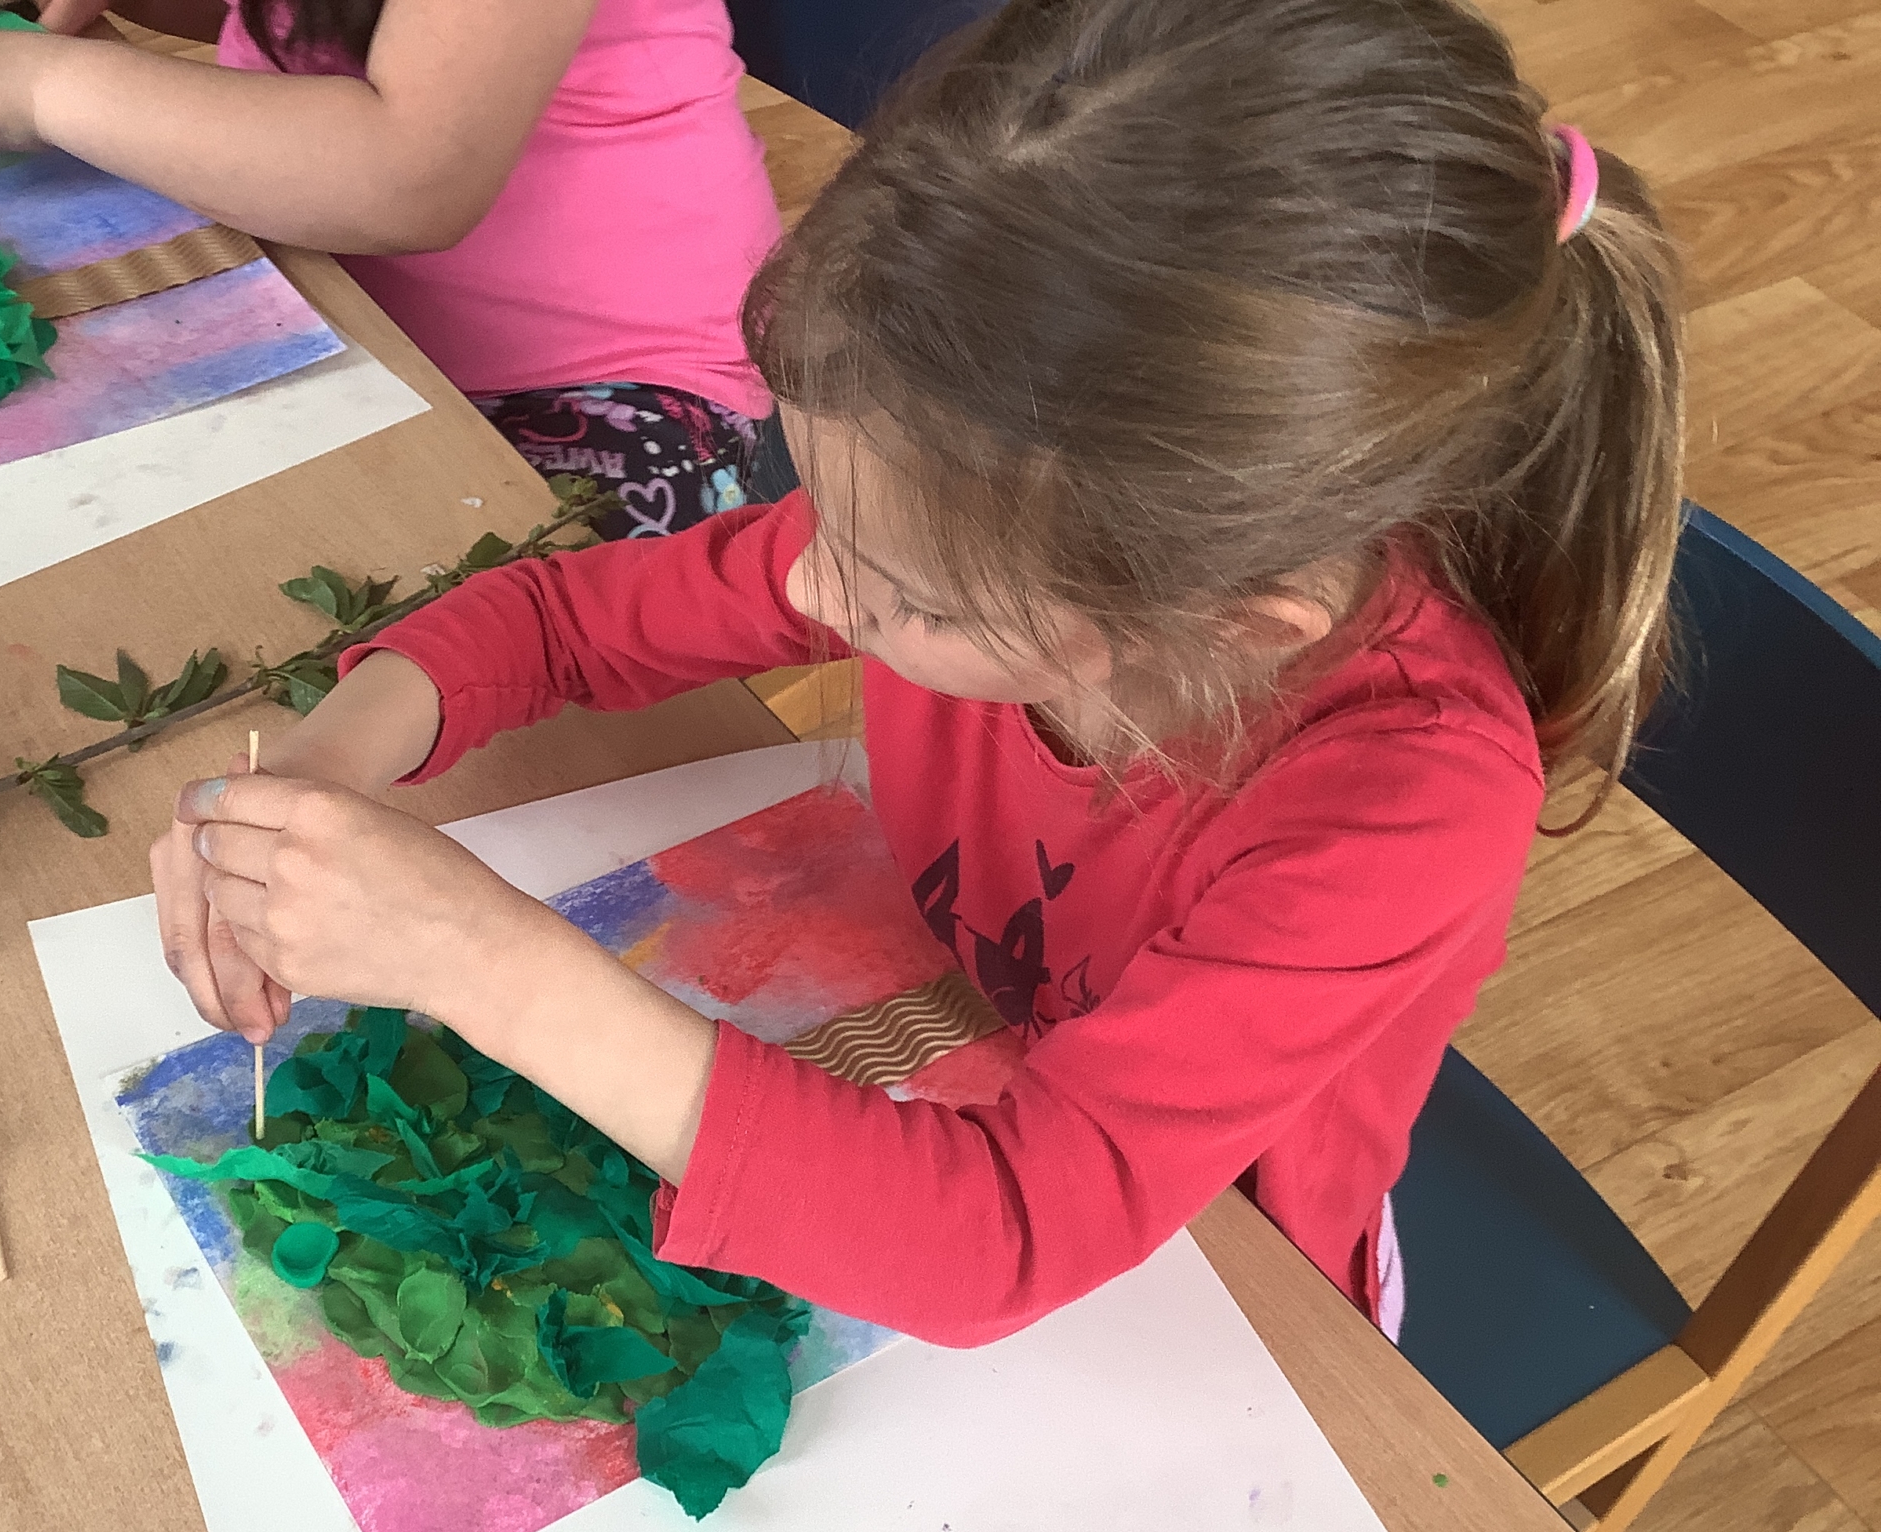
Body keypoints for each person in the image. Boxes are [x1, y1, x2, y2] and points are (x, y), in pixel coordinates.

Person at [149, 0, 1685, 1345]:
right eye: (832, 521)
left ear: (1231, 620)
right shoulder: (981, 512)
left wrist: (474, 959)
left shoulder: (1407, 801)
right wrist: (332, 764)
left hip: (1216, 1303)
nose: (816, 589)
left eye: (903, 594)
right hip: (956, 1057)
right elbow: (570, 623)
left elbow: (1008, 1231)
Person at [0, 0, 783, 537]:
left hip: (609, 387)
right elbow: (304, 23)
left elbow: (410, 177)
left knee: (491, 678)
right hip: (347, 311)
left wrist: (43, 85)